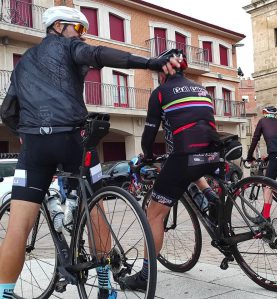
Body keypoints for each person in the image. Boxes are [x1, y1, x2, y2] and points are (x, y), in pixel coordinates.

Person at [0, 6, 180, 299]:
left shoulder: (24, 62)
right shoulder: (70, 46)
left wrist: (24, 131)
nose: (82, 36)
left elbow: (7, 110)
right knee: (95, 206)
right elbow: (99, 55)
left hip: (34, 143)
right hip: (73, 137)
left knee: (18, 225)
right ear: (59, 26)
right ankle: (105, 286)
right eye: (80, 29)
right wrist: (150, 63)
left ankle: (4, 294)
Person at [119, 49, 221, 291]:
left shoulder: (160, 93)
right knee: (192, 166)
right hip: (213, 154)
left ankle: (145, 276)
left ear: (162, 71)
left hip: (185, 156)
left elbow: (149, 134)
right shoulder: (201, 90)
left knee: (154, 215)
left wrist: (148, 155)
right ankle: (210, 196)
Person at [246, 106, 277, 223]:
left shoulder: (262, 121)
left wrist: (249, 156)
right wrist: (268, 156)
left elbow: (255, 139)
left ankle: (265, 216)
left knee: (268, 185)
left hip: (276, 156)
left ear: (265, 113)